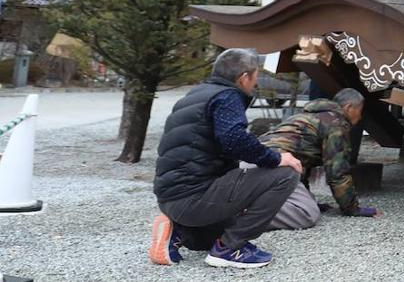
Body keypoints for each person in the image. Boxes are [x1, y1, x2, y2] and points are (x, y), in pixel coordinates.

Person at [148, 48, 302, 269]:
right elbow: (234, 138)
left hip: (171, 199)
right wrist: (275, 158)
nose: (255, 85)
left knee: (212, 237)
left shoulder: (196, 94)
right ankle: (230, 248)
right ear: (244, 77)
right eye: (255, 78)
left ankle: (179, 231)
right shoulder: (227, 96)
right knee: (287, 173)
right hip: (194, 198)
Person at [257, 88, 380, 229]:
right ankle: (249, 216)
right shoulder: (336, 123)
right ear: (348, 107)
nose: (360, 117)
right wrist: (352, 208)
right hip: (276, 163)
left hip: (258, 156)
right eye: (360, 110)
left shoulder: (310, 116)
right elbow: (337, 171)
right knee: (306, 214)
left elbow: (302, 159)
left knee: (304, 202)